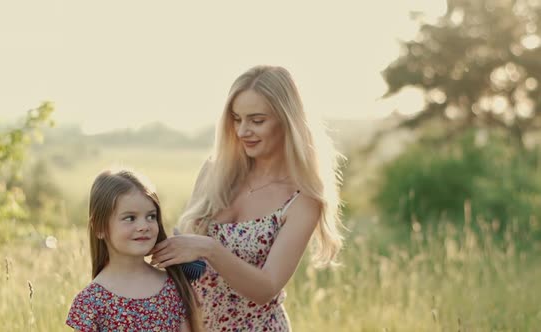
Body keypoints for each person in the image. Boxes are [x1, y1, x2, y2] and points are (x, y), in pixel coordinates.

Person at [150, 65, 344, 331]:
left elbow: (266, 288)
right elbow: (184, 266)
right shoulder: (214, 171)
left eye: (257, 120)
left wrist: (209, 248)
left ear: (287, 121)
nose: (242, 131)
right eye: (236, 119)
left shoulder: (302, 200)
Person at [66, 169, 202, 332]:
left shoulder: (174, 287)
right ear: (100, 228)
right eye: (130, 218)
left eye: (151, 216)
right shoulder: (90, 302)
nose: (144, 226)